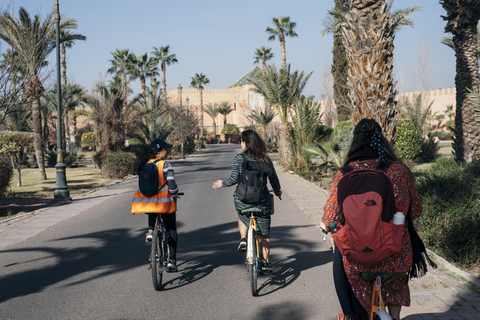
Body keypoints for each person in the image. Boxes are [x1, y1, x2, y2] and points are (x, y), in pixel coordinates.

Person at [321, 118, 422, 320]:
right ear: (381, 140)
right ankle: (393, 318)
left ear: (355, 142)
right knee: (395, 285)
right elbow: (416, 210)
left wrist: (325, 226)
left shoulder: (344, 174)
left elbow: (329, 217)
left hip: (358, 261)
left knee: (354, 282)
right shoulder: (399, 171)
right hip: (396, 257)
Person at [212, 129, 282, 272]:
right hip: (262, 201)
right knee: (264, 233)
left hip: (243, 199)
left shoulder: (239, 158)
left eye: (241, 142)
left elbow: (233, 179)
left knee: (242, 216)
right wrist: (277, 191)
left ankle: (243, 238)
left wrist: (221, 184)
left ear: (245, 143)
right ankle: (267, 262)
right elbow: (274, 179)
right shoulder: (266, 159)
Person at [131, 139, 179, 272]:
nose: (167, 151)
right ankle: (172, 261)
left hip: (148, 202)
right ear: (159, 151)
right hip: (164, 202)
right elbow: (172, 185)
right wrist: (175, 195)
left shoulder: (144, 165)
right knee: (171, 229)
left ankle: (151, 231)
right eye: (165, 149)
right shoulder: (165, 165)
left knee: (152, 208)